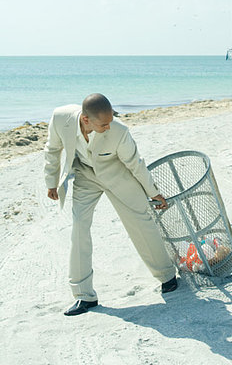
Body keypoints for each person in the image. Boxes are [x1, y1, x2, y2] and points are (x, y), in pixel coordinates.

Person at [44, 93, 177, 316]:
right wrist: (51, 182)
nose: (108, 127)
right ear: (86, 119)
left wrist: (154, 193)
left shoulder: (119, 131)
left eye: (111, 121)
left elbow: (136, 164)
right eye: (103, 124)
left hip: (118, 177)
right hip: (85, 177)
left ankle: (167, 276)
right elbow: (52, 149)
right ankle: (84, 296)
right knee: (79, 228)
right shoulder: (60, 118)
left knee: (140, 222)